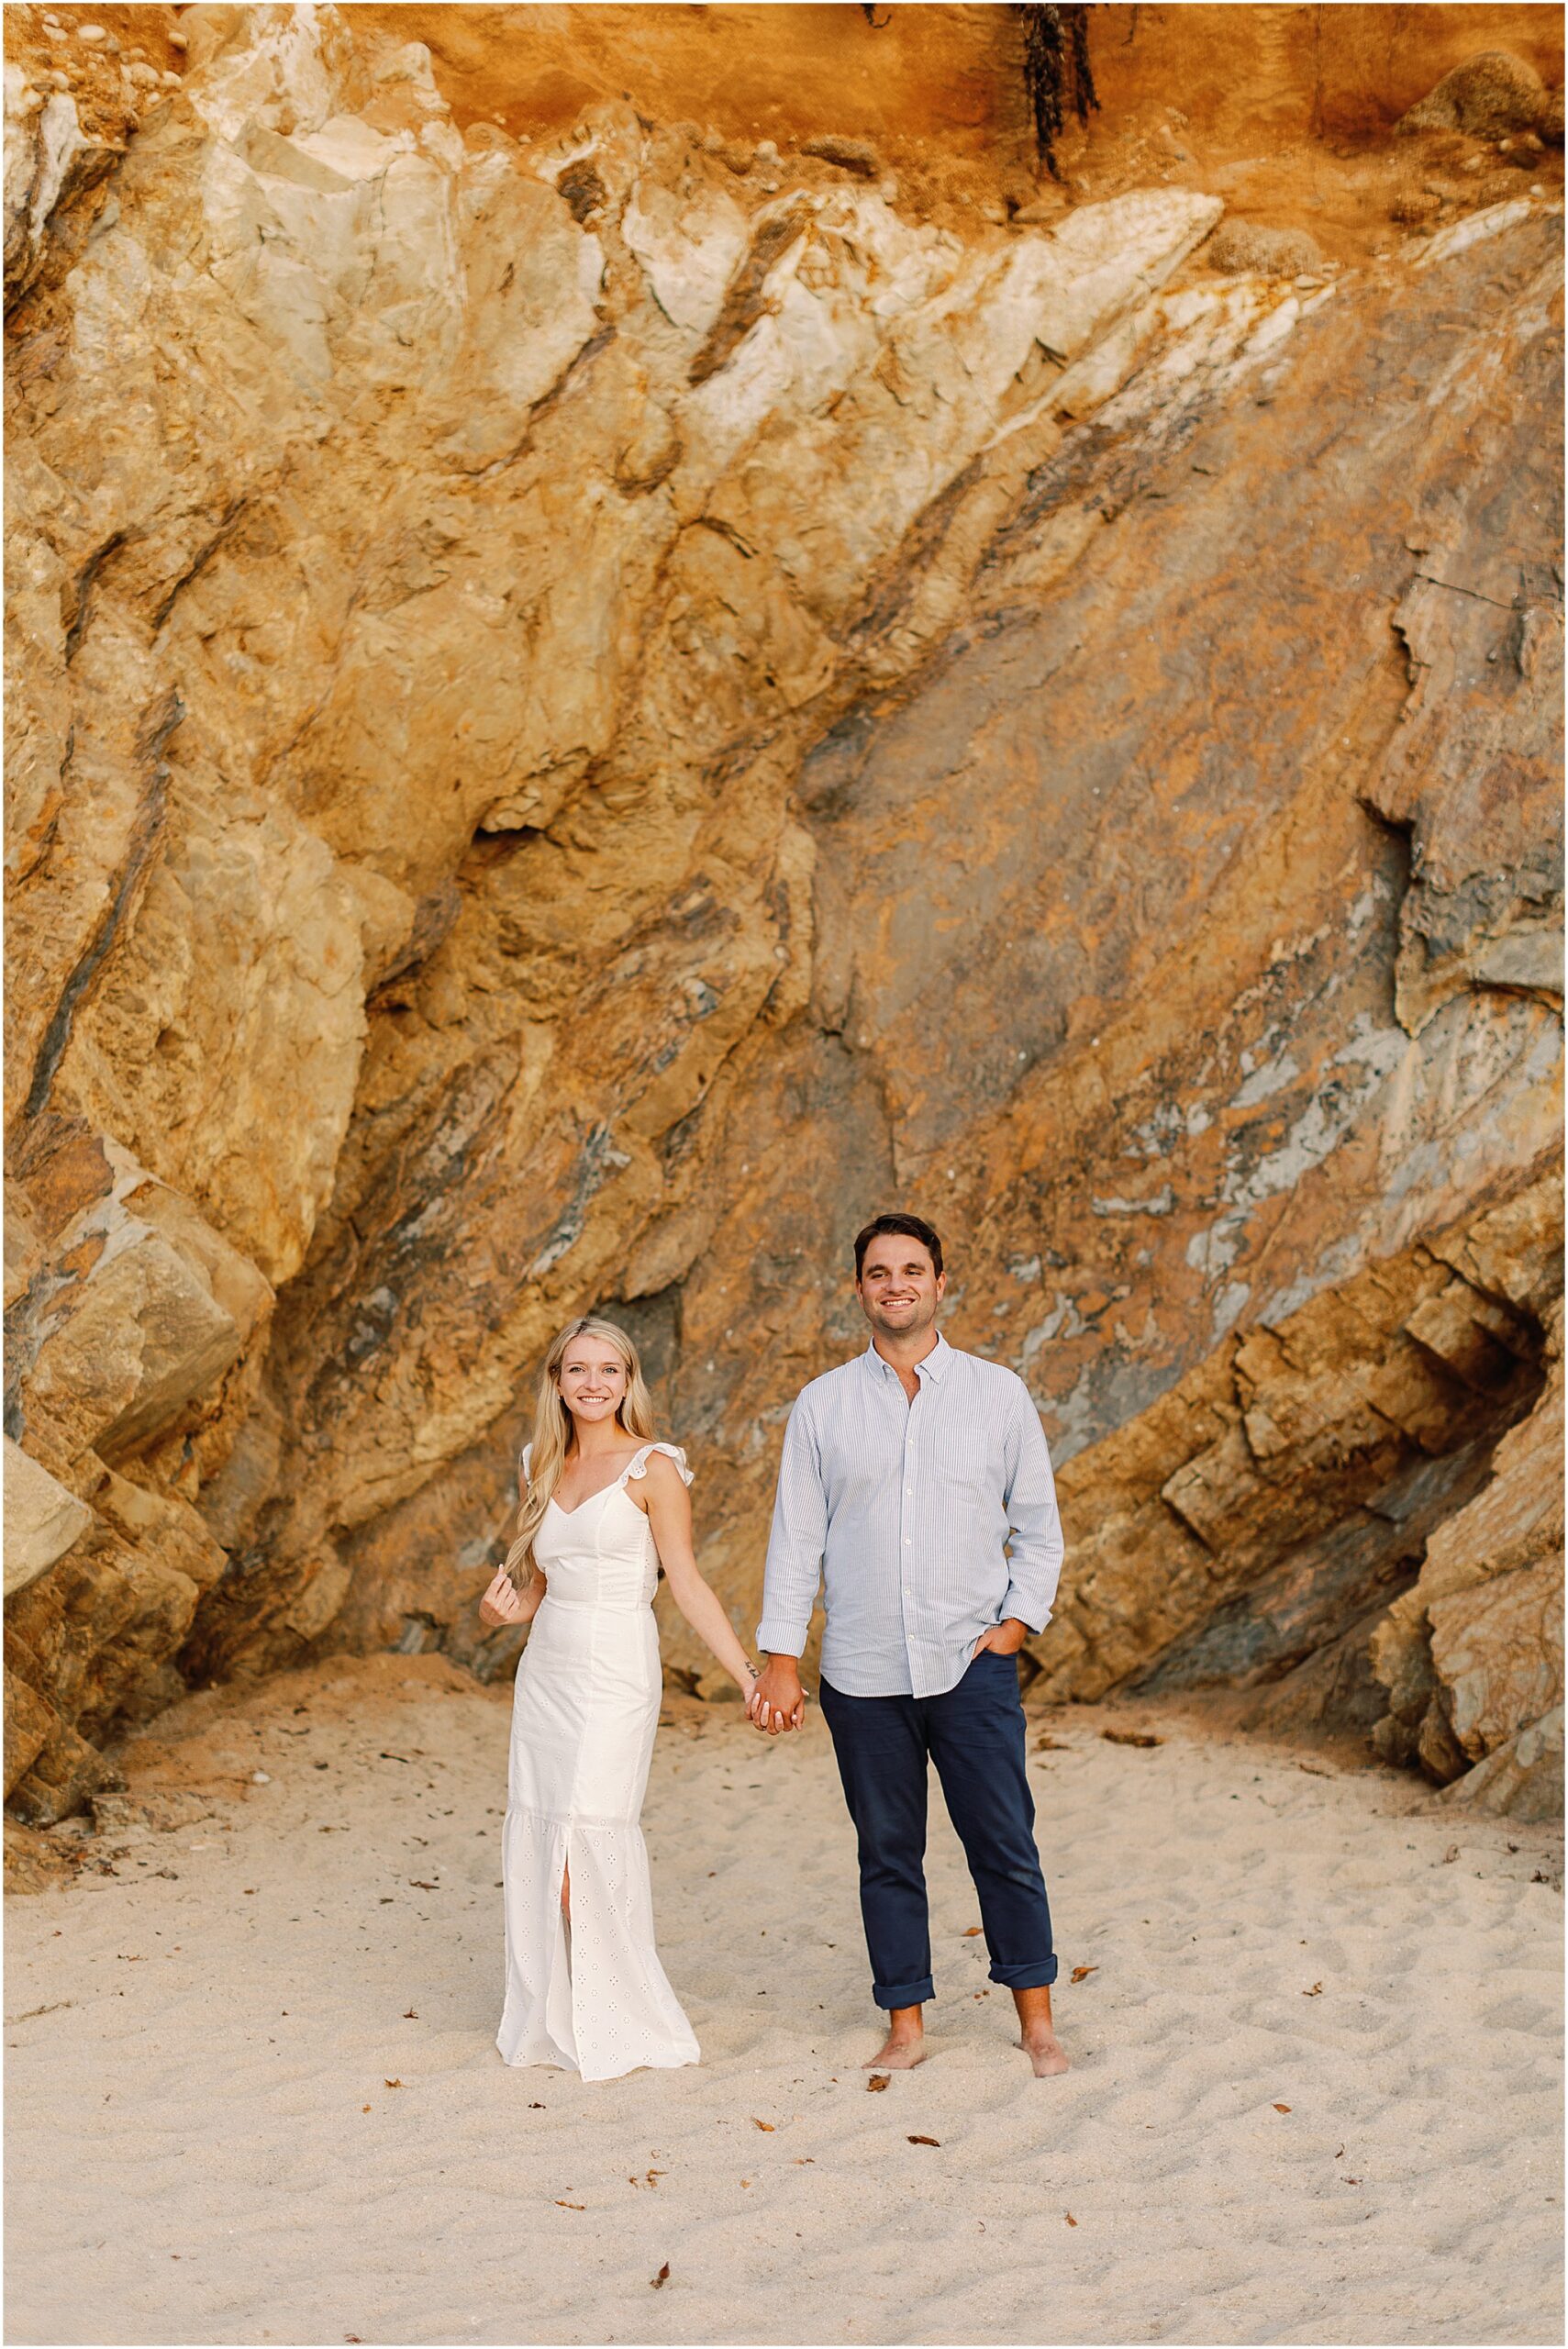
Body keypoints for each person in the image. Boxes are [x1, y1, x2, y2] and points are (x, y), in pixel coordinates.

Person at [748, 1213, 1069, 2077]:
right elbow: (794, 1539)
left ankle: (1036, 2022)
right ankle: (906, 2026)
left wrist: (1015, 1625)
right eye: (879, 1272)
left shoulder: (997, 1395)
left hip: (970, 1665)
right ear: (859, 1289)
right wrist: (781, 1656)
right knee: (886, 1852)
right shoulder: (822, 1406)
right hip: (861, 1673)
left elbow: (1038, 1529)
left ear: (939, 1283)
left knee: (1003, 1842)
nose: (896, 1284)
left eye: (912, 1270)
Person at [478, 1314, 760, 2082]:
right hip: (547, 1669)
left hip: (615, 1670)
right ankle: (556, 2011)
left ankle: (617, 2014)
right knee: (543, 1826)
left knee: (590, 1829)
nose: (593, 1383)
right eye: (577, 1370)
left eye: (609, 1370)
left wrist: (748, 1677)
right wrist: (500, 1612)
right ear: (557, 1382)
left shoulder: (654, 1469)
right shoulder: (540, 1459)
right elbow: (537, 1584)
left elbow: (689, 1583)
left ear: (628, 1380)